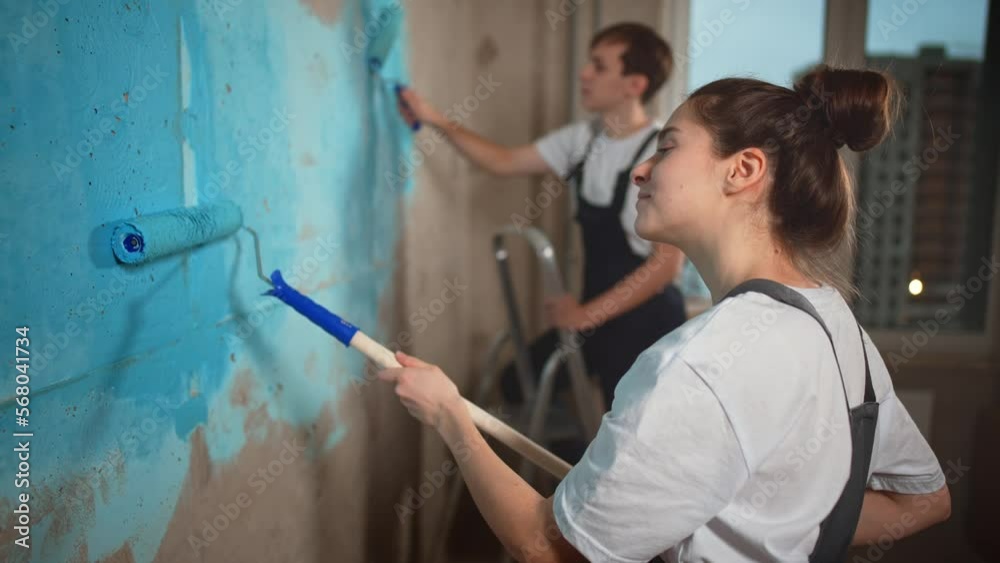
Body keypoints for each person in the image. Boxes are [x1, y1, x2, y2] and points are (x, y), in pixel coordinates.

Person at [378, 64, 952, 562]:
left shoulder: (701, 365)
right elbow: (924, 500)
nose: (641, 170)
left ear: (743, 170)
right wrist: (761, 524)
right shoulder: (838, 328)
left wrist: (451, 415)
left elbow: (544, 548)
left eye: (669, 147)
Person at [397, 23, 689, 410]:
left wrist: (586, 314)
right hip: (595, 315)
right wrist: (433, 117)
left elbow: (666, 266)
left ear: (634, 84)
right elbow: (502, 161)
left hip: (646, 321)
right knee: (519, 383)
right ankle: (564, 467)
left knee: (630, 426)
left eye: (599, 67)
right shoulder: (583, 140)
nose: (584, 74)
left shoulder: (658, 152)